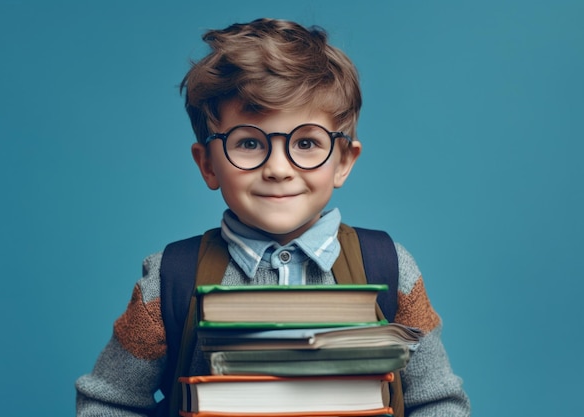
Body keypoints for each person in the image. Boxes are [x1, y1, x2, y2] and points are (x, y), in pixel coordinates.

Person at [75, 18, 471, 416]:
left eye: (306, 142)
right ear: (208, 164)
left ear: (343, 161)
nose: (279, 169)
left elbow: (437, 402)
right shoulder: (168, 281)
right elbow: (108, 402)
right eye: (248, 142)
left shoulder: (390, 270)